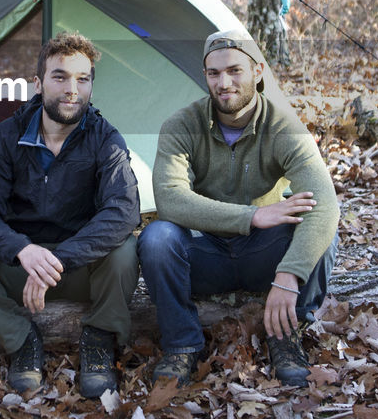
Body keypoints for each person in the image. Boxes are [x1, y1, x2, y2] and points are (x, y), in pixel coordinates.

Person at [138, 27, 339, 388]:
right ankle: (182, 343)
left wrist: (289, 274)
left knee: (322, 228)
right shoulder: (182, 126)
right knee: (156, 238)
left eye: (234, 70)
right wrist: (252, 215)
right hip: (207, 252)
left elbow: (325, 204)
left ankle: (285, 333)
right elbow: (169, 199)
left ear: (258, 72)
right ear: (205, 76)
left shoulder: (283, 127)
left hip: (266, 253)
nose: (224, 82)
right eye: (214, 73)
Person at [0, 32, 140, 399]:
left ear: (91, 88)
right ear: (38, 83)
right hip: (20, 269)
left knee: (125, 250)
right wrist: (24, 250)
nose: (72, 89)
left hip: (78, 267)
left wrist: (58, 259)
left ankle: (99, 338)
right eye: (60, 77)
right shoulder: (6, 137)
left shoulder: (105, 138)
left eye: (82, 80)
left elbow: (123, 211)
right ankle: (21, 340)